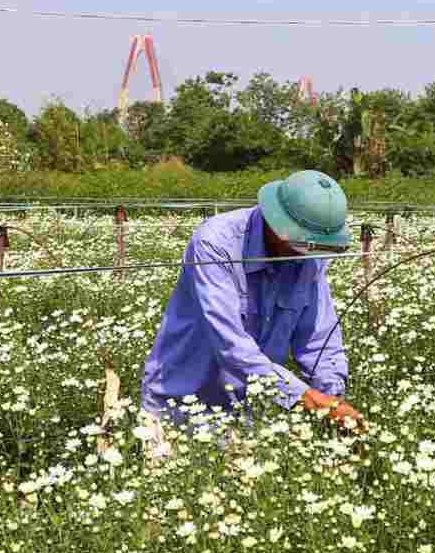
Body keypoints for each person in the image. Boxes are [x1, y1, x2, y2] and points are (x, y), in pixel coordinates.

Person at [139, 170, 365, 443]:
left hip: (245, 413)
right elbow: (230, 344)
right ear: (275, 223)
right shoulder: (215, 243)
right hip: (180, 405)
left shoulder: (308, 256)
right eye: (301, 242)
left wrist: (332, 398)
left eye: (315, 246)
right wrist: (309, 399)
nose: (307, 254)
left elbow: (318, 339)